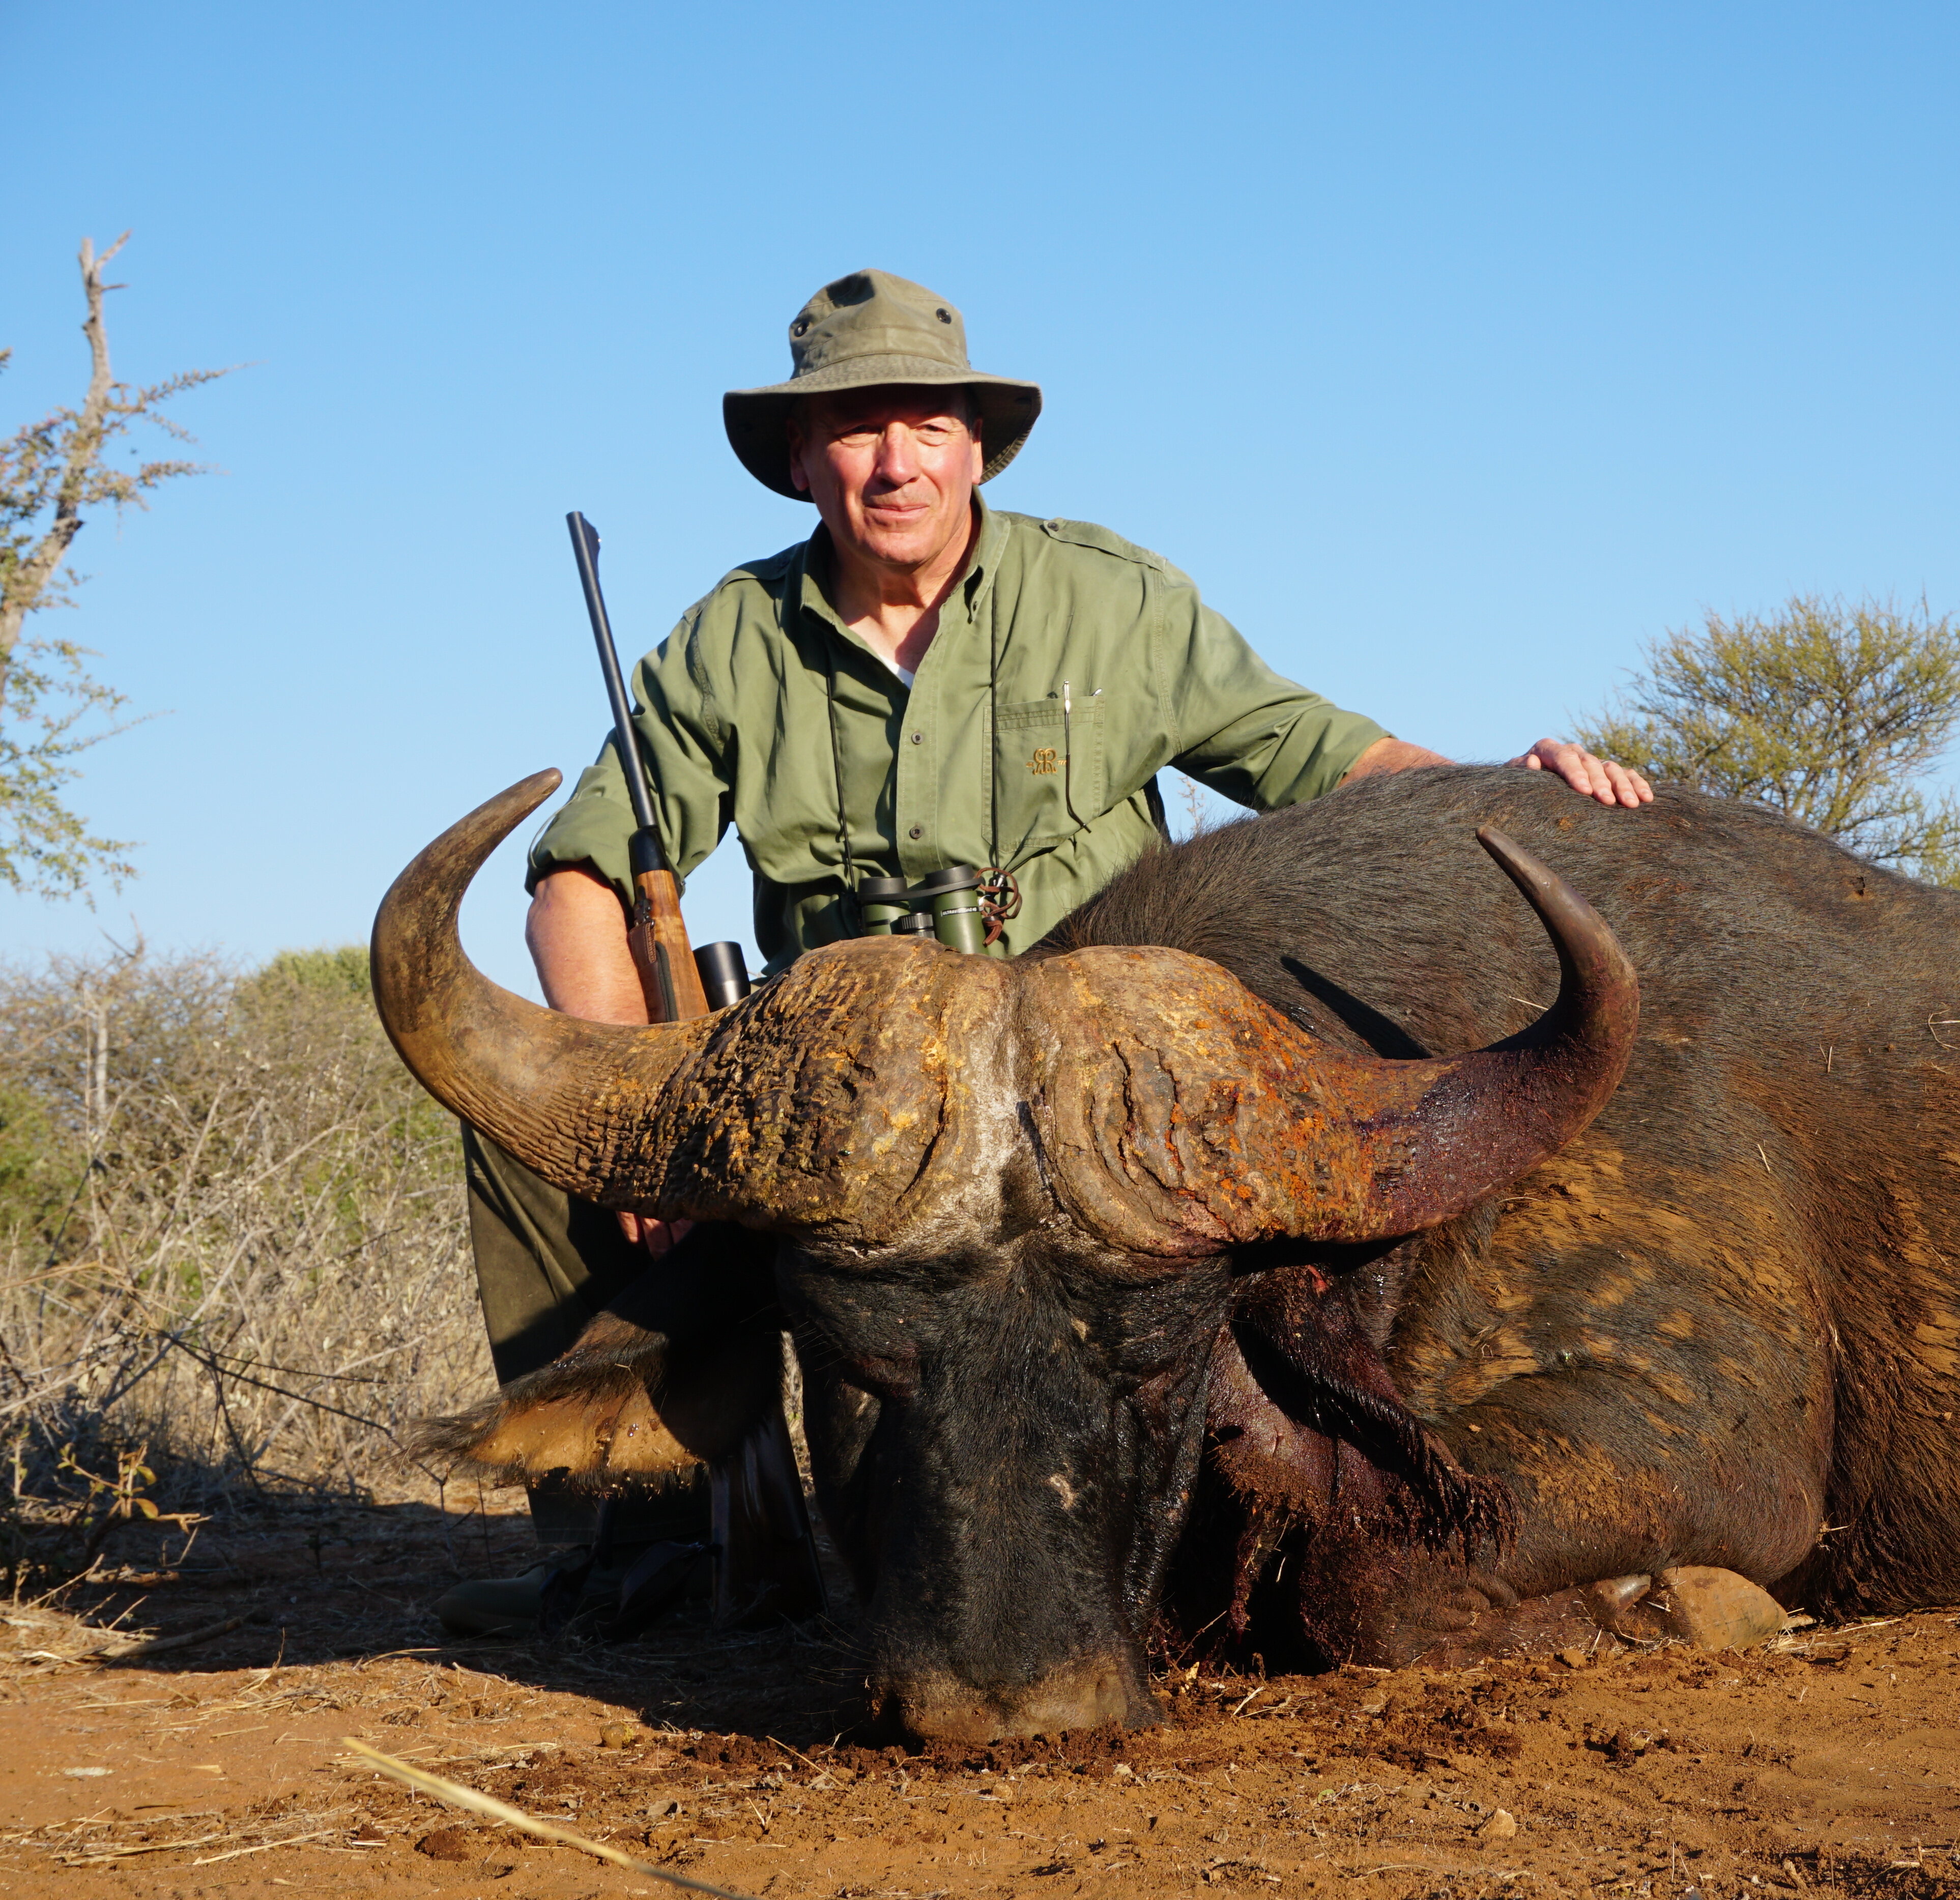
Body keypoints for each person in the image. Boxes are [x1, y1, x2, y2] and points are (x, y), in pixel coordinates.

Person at [436, 268, 1649, 1636]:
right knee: (539, 1128)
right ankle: (643, 1551)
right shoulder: (732, 636)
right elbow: (585, 879)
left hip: (1098, 1114)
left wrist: (1505, 786)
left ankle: (1440, 1491)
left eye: (927, 425)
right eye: (853, 428)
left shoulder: (1109, 597)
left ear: (976, 446)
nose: (895, 462)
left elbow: (1330, 761)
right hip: (868, 1120)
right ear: (799, 459)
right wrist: (647, 1105)